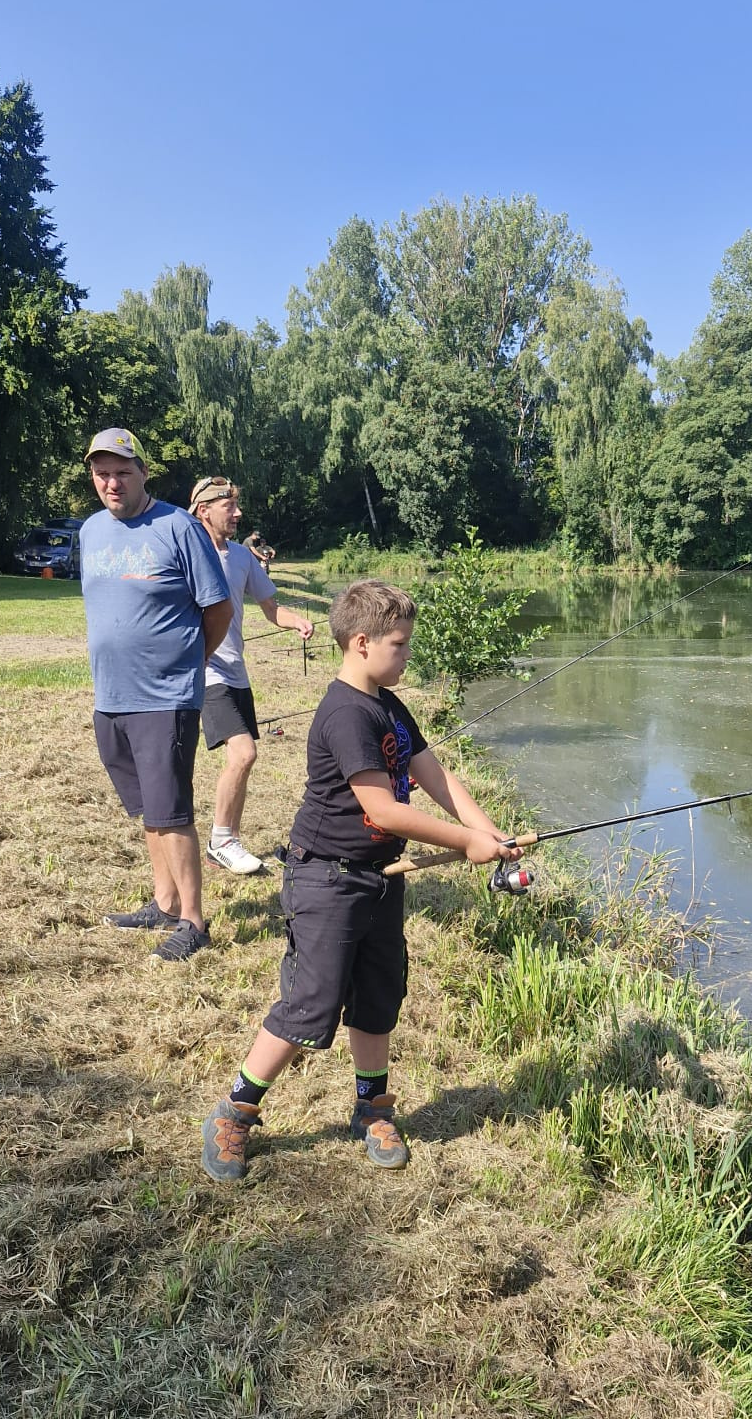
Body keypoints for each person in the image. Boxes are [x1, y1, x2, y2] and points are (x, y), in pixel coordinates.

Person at [201, 577, 518, 1180]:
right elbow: (384, 811)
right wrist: (464, 843)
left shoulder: (389, 706)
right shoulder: (346, 713)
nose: (408, 654)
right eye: (400, 644)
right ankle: (235, 1111)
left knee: (377, 997)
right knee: (310, 1004)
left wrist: (491, 834)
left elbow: (435, 777)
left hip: (381, 877)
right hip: (327, 879)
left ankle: (372, 1107)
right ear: (362, 642)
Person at [79, 428, 232, 963]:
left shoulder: (177, 527)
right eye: (102, 473)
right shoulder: (91, 531)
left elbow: (218, 608)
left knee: (171, 809)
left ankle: (193, 921)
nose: (112, 482)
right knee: (148, 806)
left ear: (143, 472)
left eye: (123, 472)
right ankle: (164, 903)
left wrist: (190, 661)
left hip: (165, 695)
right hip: (111, 696)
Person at [188, 477, 314, 875]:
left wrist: (297, 621)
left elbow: (271, 608)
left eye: (237, 505)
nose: (238, 513)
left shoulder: (242, 557)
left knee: (241, 759)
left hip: (236, 673)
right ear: (204, 510)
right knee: (244, 753)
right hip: (205, 670)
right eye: (229, 506)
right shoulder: (187, 551)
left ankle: (227, 841)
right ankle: (221, 840)